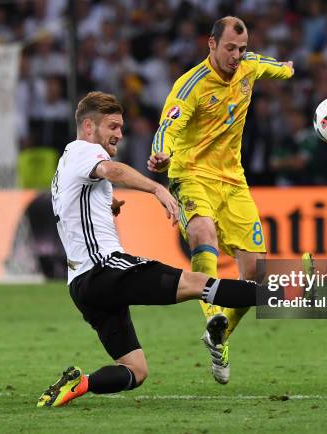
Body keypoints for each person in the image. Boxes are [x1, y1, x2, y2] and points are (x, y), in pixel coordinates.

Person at [37, 91, 264, 408]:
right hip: (105, 269)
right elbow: (112, 171)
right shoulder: (83, 152)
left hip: (81, 286)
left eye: (121, 127)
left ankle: (79, 384)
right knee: (198, 284)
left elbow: (75, 203)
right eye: (112, 126)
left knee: (135, 370)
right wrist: (156, 187)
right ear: (89, 127)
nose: (119, 133)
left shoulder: (65, 165)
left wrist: (108, 203)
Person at [147, 16, 312, 384]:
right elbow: (167, 129)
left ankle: (218, 335)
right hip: (190, 175)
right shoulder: (189, 86)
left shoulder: (249, 66)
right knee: (203, 234)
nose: (237, 56)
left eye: (241, 48)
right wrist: (160, 155)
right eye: (229, 49)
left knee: (254, 274)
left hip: (233, 183)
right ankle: (210, 316)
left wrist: (287, 69)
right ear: (211, 44)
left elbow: (277, 68)